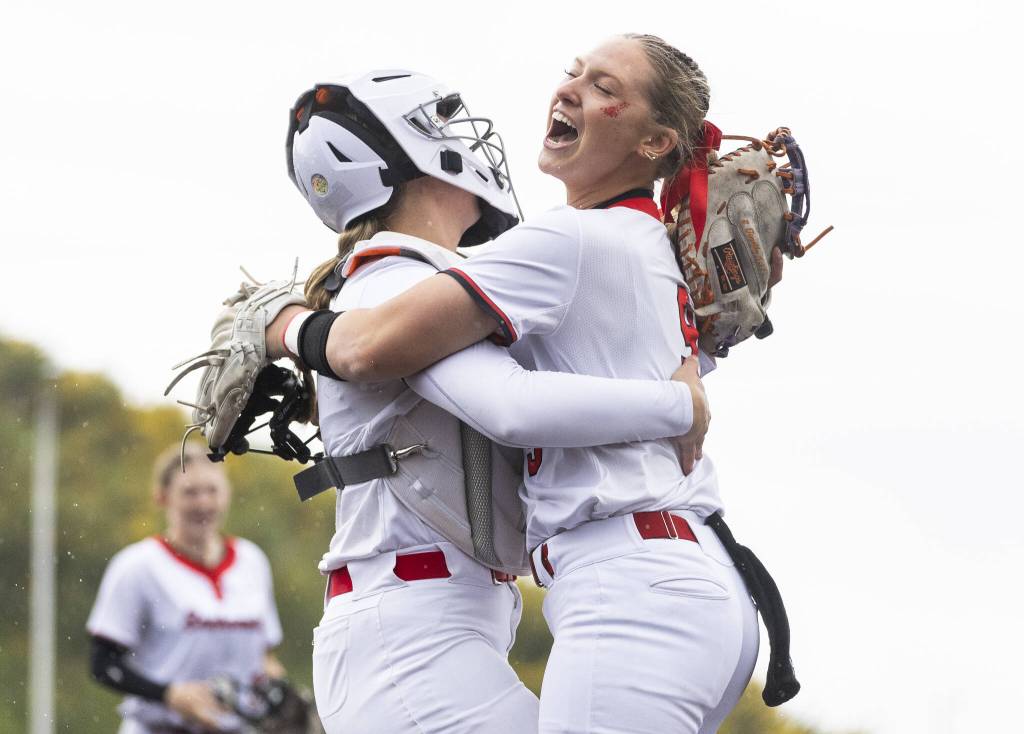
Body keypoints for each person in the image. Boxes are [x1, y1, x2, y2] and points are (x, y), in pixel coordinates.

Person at [272, 35, 778, 733]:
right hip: (663, 581)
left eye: (603, 86)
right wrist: (680, 400)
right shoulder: (573, 243)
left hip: (627, 581)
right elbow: (397, 355)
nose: (569, 89)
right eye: (574, 73)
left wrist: (285, 322)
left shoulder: (567, 242)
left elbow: (383, 348)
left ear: (657, 140)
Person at [87, 443, 285, 733]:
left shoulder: (252, 561)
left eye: (212, 490)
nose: (203, 503)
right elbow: (102, 665)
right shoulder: (138, 566)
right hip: (161, 727)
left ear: (227, 493)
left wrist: (277, 689)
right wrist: (168, 694)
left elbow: (265, 654)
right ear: (162, 497)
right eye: (190, 492)